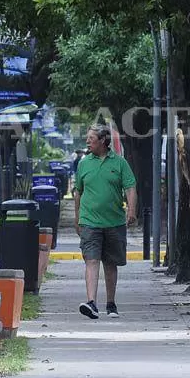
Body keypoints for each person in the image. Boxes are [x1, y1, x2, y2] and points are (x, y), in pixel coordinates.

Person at [73, 124, 137, 319]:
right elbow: (78, 192)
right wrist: (77, 218)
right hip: (89, 221)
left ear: (103, 141)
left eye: (91, 139)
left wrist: (132, 210)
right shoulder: (84, 164)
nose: (87, 142)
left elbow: (130, 187)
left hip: (114, 222)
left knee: (110, 264)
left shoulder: (119, 163)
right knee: (91, 260)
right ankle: (91, 302)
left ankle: (111, 303)